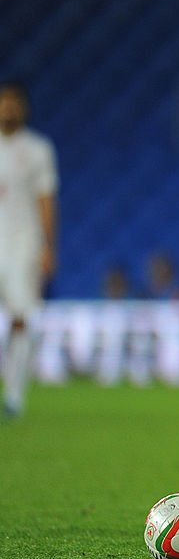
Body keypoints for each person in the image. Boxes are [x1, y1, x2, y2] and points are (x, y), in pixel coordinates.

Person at [0, 82, 58, 418]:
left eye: (13, 104)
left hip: (23, 244)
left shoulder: (37, 149)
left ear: (23, 109)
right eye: (3, 103)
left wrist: (48, 246)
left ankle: (14, 395)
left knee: (20, 318)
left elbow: (46, 200)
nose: (7, 109)